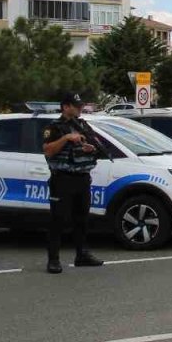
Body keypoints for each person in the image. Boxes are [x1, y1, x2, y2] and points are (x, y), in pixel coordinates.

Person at [43, 93, 104, 274]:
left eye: (80, 106)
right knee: (58, 220)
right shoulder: (54, 127)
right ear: (66, 106)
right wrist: (66, 138)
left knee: (82, 219)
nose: (79, 109)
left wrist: (90, 148)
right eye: (76, 106)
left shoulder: (83, 125)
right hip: (63, 178)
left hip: (82, 178)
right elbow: (47, 151)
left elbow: (96, 147)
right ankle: (53, 259)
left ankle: (82, 254)